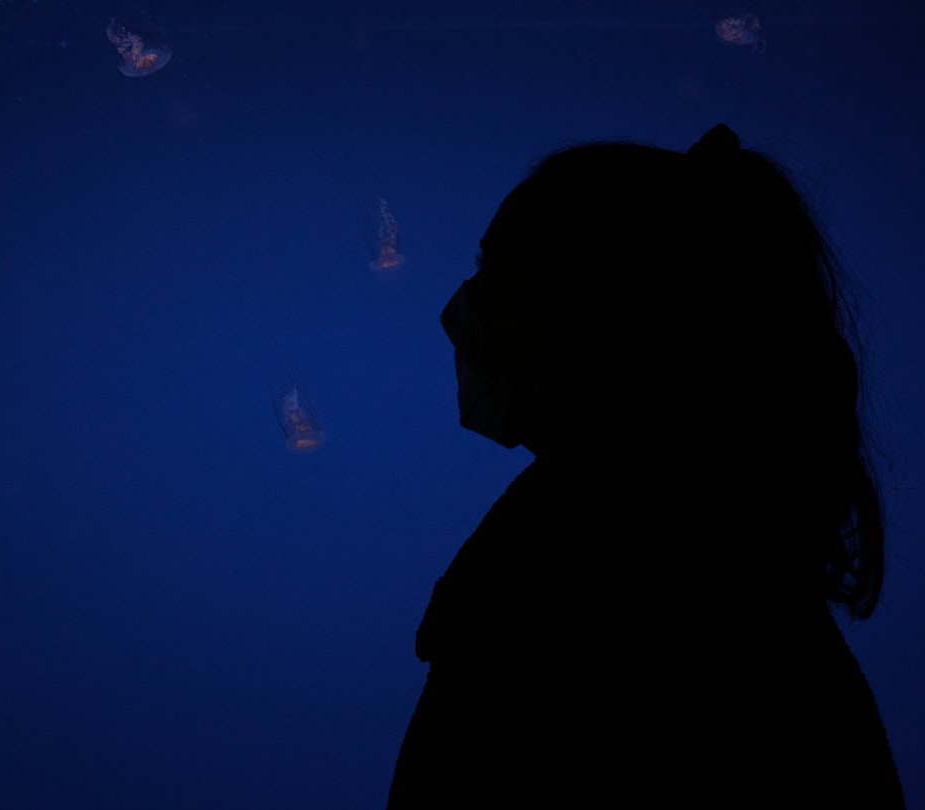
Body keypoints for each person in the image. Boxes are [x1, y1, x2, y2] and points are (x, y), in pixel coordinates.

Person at [386, 124, 906, 807]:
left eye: (495, 273)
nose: (466, 308)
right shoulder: (731, 551)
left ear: (580, 320)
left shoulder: (578, 578)